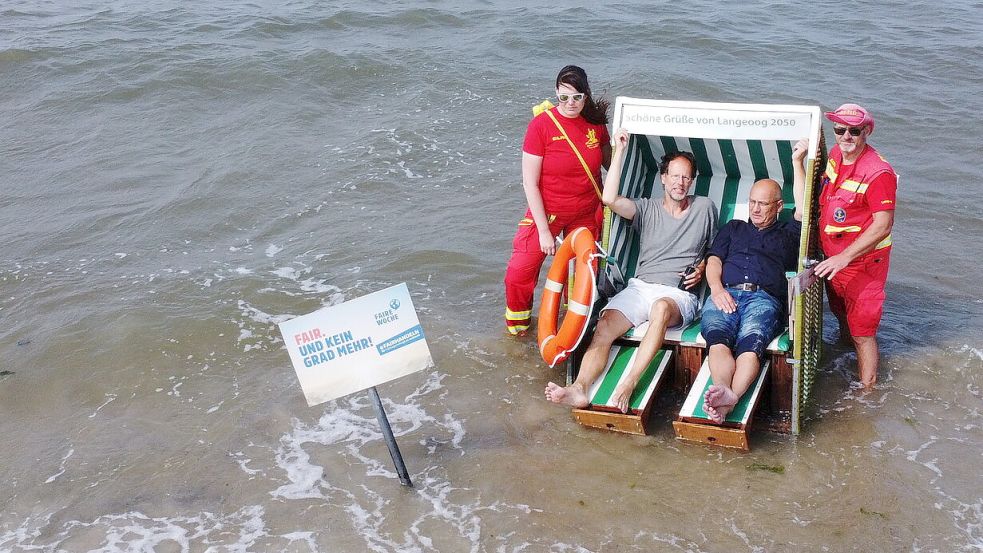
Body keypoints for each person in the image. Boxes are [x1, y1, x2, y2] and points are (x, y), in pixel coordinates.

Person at [545, 128, 717, 413]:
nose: (680, 182)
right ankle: (579, 388)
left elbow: (715, 250)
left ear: (692, 180)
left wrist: (701, 266)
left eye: (686, 176)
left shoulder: (705, 208)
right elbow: (609, 199)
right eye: (674, 176)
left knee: (660, 308)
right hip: (640, 287)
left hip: (677, 295)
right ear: (663, 179)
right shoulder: (645, 208)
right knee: (604, 327)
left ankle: (630, 382)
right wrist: (620, 151)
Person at [504, 65, 612, 337]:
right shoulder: (541, 126)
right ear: (556, 94)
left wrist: (624, 144)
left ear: (585, 95)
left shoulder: (596, 125)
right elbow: (530, 182)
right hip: (548, 212)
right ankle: (519, 332)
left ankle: (573, 327)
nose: (570, 103)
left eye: (576, 97)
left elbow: (611, 163)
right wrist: (543, 232)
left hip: (586, 212)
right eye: (564, 97)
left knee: (582, 277)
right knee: (518, 273)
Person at [798, 103, 897, 389]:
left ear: (866, 131)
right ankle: (843, 344)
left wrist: (845, 257)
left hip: (863, 265)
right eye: (840, 130)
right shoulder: (835, 155)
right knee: (841, 311)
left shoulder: (879, 173)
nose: (846, 137)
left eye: (854, 131)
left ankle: (868, 391)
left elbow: (883, 225)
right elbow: (823, 190)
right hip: (833, 259)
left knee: (863, 332)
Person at [700, 170, 805, 424]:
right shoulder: (734, 228)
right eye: (752, 202)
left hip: (764, 299)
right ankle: (722, 388)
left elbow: (802, 209)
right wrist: (716, 288)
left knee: (751, 340)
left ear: (779, 206)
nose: (755, 209)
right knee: (717, 338)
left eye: (763, 204)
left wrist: (797, 161)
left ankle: (732, 397)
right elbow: (714, 259)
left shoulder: (787, 233)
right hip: (725, 292)